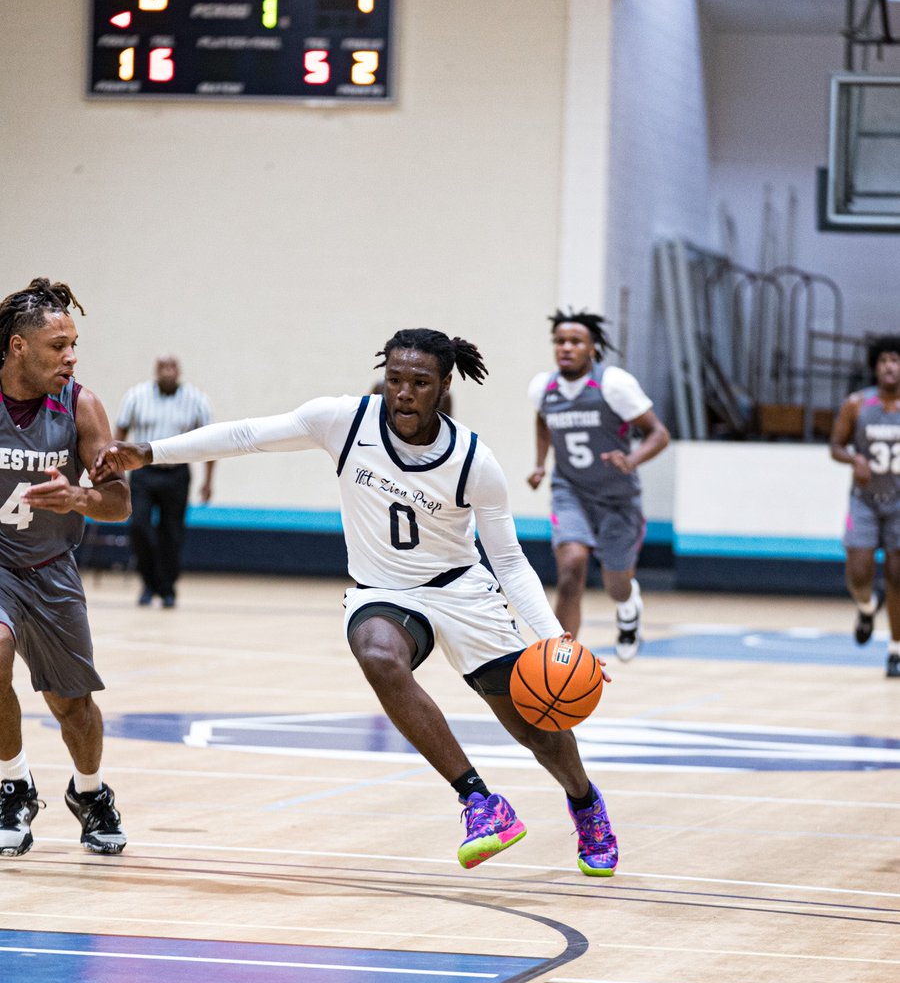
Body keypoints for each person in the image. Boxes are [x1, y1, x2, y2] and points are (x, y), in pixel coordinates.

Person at [94, 328, 619, 876]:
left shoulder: (473, 461)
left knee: (533, 722)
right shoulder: (343, 421)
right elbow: (248, 434)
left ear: (443, 387)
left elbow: (509, 562)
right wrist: (148, 452)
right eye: (395, 380)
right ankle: (480, 802)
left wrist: (554, 638)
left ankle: (585, 804)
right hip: (383, 591)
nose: (404, 393)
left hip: (461, 589)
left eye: (420, 382)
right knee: (377, 653)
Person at [0, 277, 130, 856]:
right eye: (59, 345)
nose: (71, 356)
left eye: (74, 343)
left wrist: (79, 498)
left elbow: (120, 503)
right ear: (18, 346)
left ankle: (90, 793)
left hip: (51, 566)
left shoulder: (81, 404)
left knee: (72, 705)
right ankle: (13, 784)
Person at [527, 309, 670, 660]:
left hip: (617, 496)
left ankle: (628, 609)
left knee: (616, 583)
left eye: (575, 341)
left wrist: (631, 460)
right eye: (560, 341)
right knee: (571, 567)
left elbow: (659, 434)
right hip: (570, 491)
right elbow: (544, 423)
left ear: (592, 348)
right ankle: (561, 657)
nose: (566, 348)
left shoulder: (613, 385)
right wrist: (539, 464)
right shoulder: (543, 388)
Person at [114, 355, 214, 608]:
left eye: (172, 367)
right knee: (139, 526)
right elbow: (121, 434)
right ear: (156, 371)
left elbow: (211, 441)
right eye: (162, 367)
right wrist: (117, 474)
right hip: (144, 472)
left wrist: (208, 480)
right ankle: (149, 582)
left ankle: (167, 588)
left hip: (177, 474)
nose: (167, 372)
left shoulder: (196, 400)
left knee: (172, 533)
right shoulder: (136, 397)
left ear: (179, 371)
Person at [829, 335, 900, 678]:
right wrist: (853, 458)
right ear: (875, 365)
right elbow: (835, 446)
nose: (890, 365)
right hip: (865, 501)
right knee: (858, 573)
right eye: (885, 359)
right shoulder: (857, 404)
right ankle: (867, 606)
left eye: (897, 360)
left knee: (898, 576)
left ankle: (896, 649)